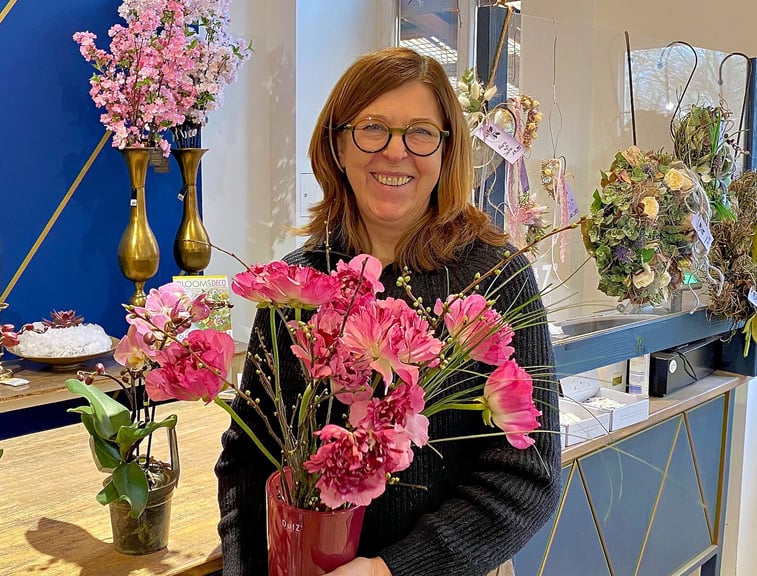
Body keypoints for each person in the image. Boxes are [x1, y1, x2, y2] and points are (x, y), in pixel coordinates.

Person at [215, 46, 561, 576]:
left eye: (421, 132)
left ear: (447, 151)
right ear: (337, 145)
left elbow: (527, 476)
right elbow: (248, 459)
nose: (395, 152)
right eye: (372, 128)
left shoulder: (496, 277)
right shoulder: (296, 287)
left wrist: (391, 570)